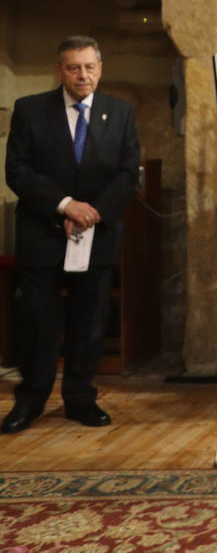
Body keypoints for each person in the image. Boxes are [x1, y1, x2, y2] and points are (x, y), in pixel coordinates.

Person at [3, 36, 140, 435]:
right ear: (60, 70)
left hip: (95, 234)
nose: (83, 75)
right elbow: (18, 172)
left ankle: (80, 398)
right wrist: (65, 205)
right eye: (74, 68)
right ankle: (30, 400)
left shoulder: (120, 112)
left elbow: (127, 173)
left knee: (89, 322)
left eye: (90, 67)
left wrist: (89, 214)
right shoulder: (30, 111)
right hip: (42, 233)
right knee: (39, 322)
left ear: (101, 67)